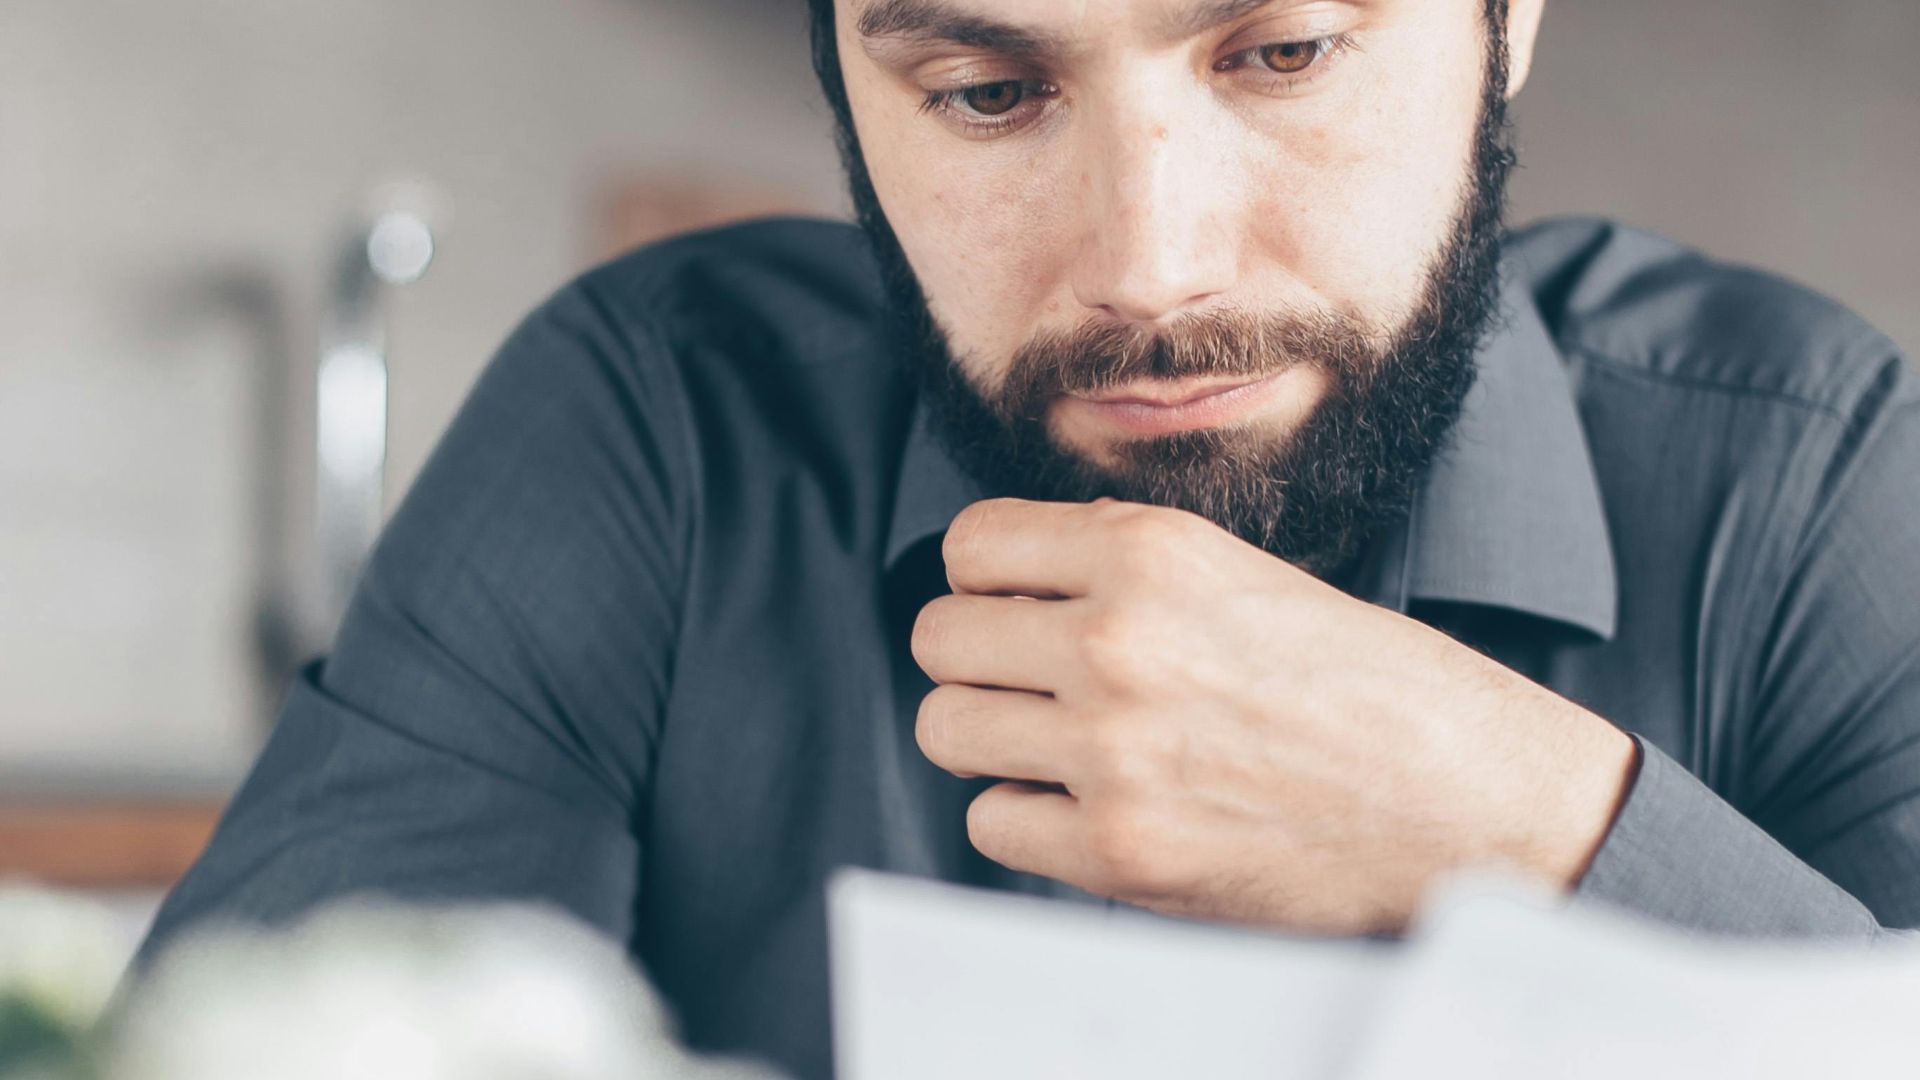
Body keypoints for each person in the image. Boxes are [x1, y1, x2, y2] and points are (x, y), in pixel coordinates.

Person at [137, 1, 1920, 1077]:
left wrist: (1545, 833)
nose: (1150, 265)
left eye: (1282, 51)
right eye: (989, 91)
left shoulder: (1811, 483)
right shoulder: (656, 427)